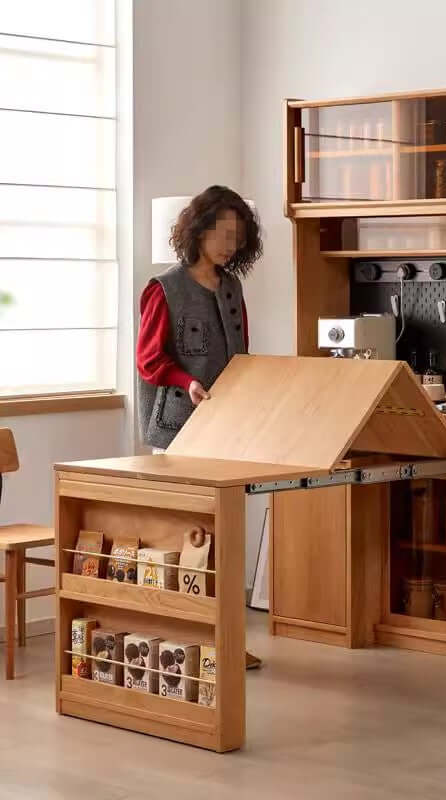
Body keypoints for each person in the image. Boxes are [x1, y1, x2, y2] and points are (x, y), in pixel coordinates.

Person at [136, 185, 263, 669]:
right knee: (185, 540)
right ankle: (178, 641)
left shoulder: (232, 288)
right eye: (222, 233)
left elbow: (241, 354)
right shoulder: (164, 288)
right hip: (177, 432)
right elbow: (150, 362)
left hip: (227, 428)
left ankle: (225, 644)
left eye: (239, 236)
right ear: (199, 230)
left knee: (225, 538)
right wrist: (188, 382)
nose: (230, 244)